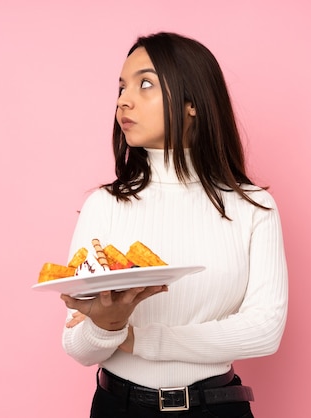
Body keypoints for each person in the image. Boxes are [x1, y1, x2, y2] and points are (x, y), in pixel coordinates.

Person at [60, 32, 288, 418]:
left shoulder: (254, 207)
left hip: (217, 409)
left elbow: (264, 330)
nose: (123, 100)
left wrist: (139, 338)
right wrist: (106, 328)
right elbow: (78, 347)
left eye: (144, 84)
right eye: (120, 87)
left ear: (191, 103)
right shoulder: (104, 205)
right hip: (120, 408)